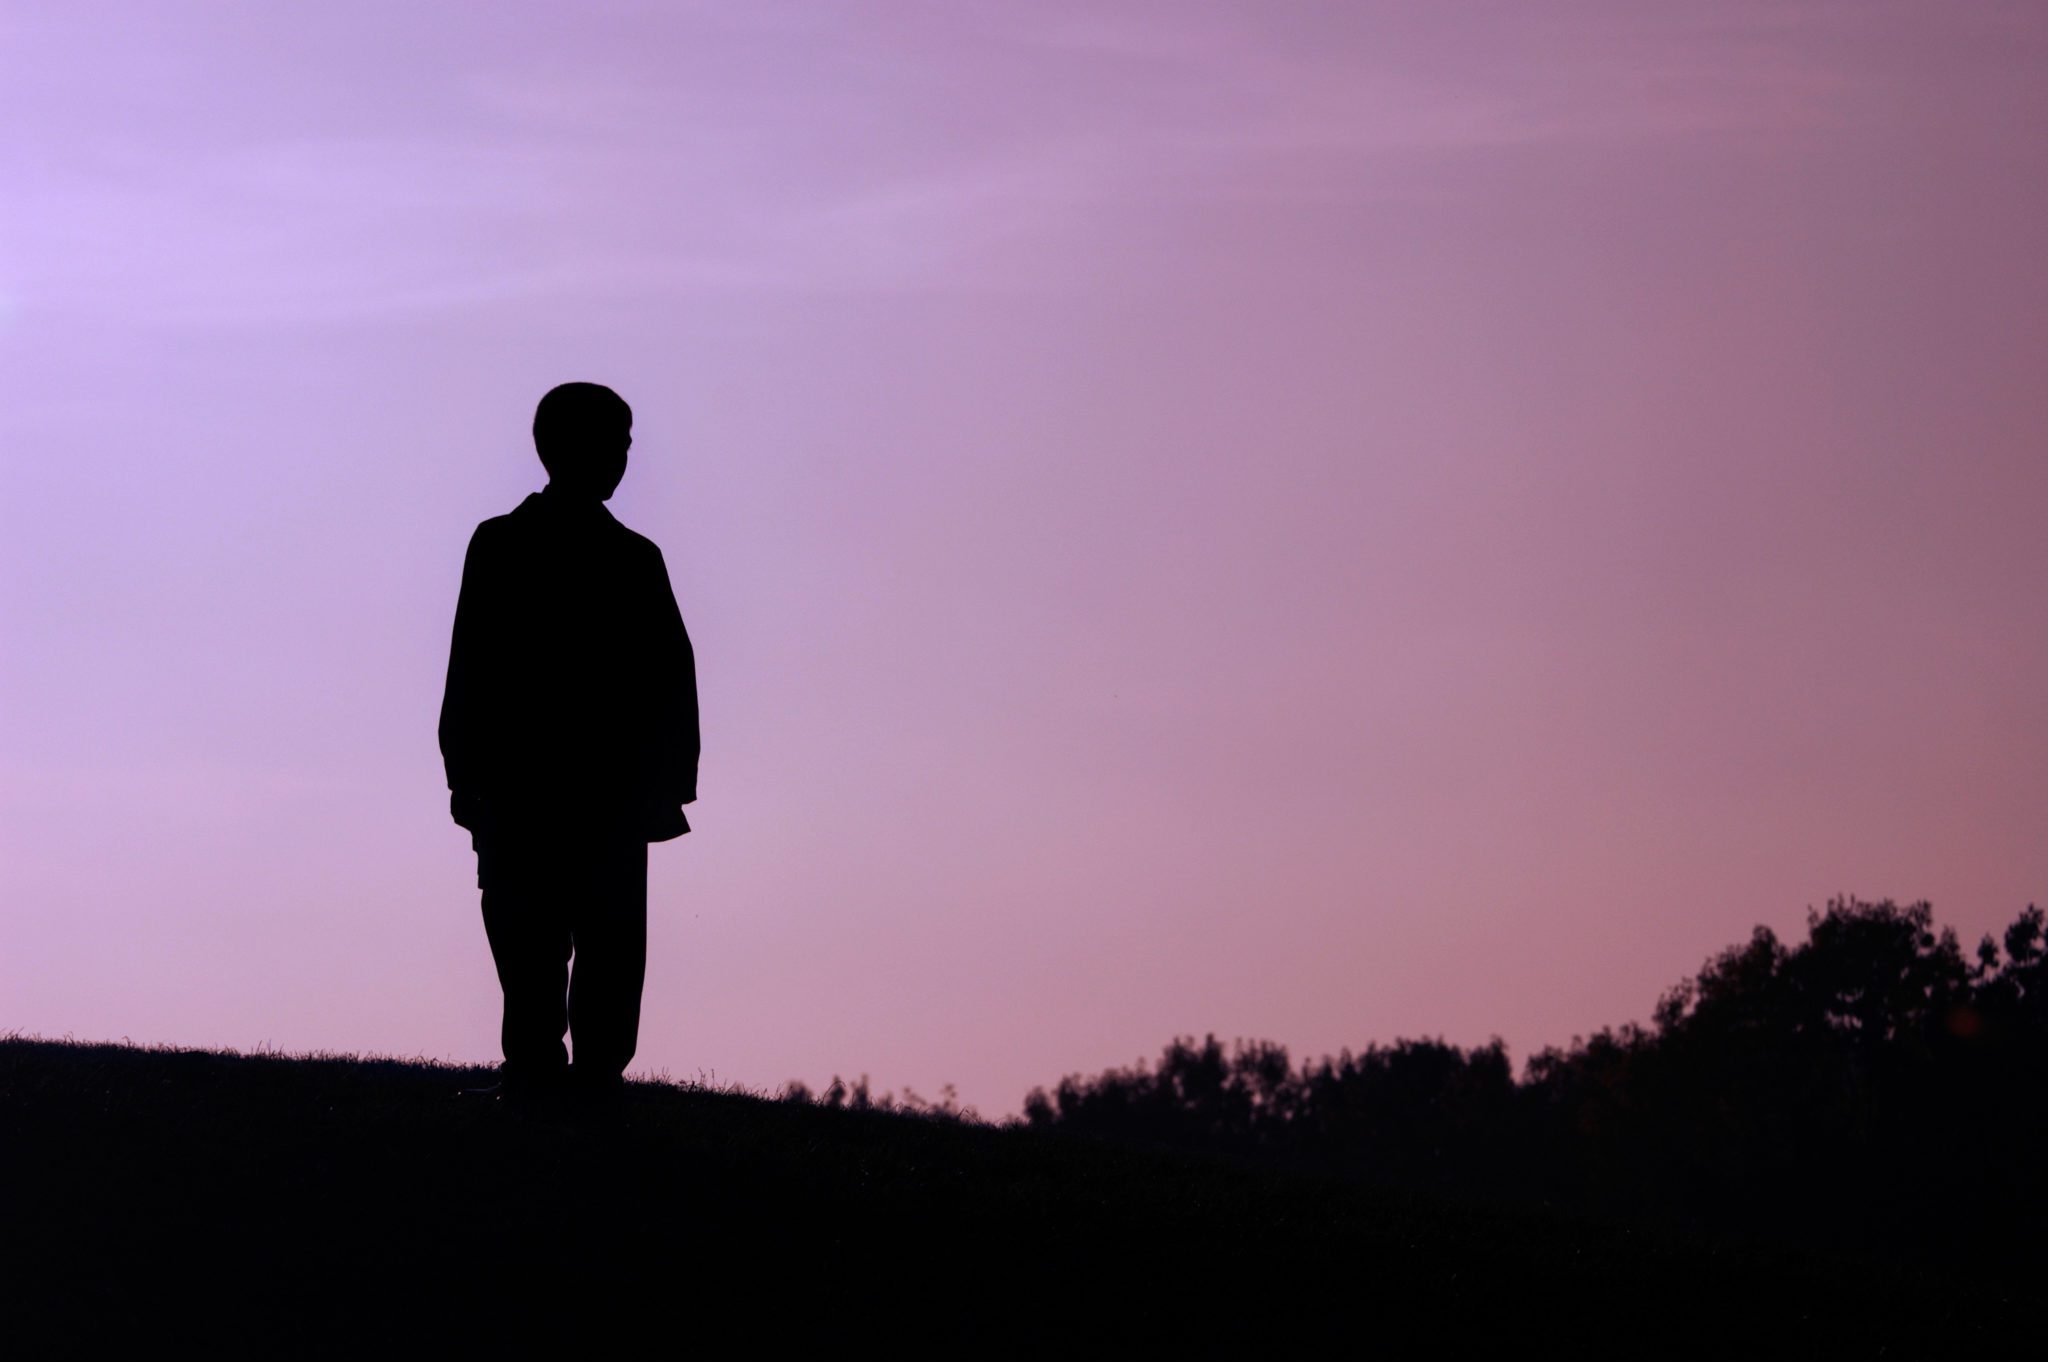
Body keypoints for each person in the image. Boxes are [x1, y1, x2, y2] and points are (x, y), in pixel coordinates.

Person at [438, 382, 699, 1105]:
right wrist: (465, 772)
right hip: (531, 789)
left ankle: (584, 1084)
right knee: (530, 945)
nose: (623, 457)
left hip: (598, 794)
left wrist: (669, 783)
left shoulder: (631, 559)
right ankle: (538, 1076)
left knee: (603, 949)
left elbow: (671, 680)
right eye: (615, 442)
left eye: (625, 443)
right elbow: (473, 668)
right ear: (567, 448)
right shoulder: (508, 546)